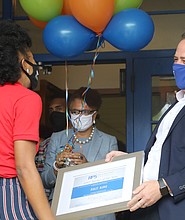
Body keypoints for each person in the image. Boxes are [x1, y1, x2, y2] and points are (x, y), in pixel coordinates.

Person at [105, 29, 185, 220]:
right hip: (147, 207)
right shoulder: (176, 105)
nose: (177, 66)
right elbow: (164, 155)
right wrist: (132, 161)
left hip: (177, 210)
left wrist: (163, 186)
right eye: (175, 59)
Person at [0, 20, 55, 219]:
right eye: (31, 57)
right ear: (24, 63)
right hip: (8, 190)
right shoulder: (27, 99)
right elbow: (23, 167)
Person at [41, 87, 118, 220]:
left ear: (94, 114)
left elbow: (113, 181)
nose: (79, 116)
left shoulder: (108, 141)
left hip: (97, 212)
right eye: (75, 111)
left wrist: (87, 167)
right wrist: (56, 168)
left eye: (84, 112)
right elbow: (44, 180)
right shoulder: (57, 138)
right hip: (62, 210)